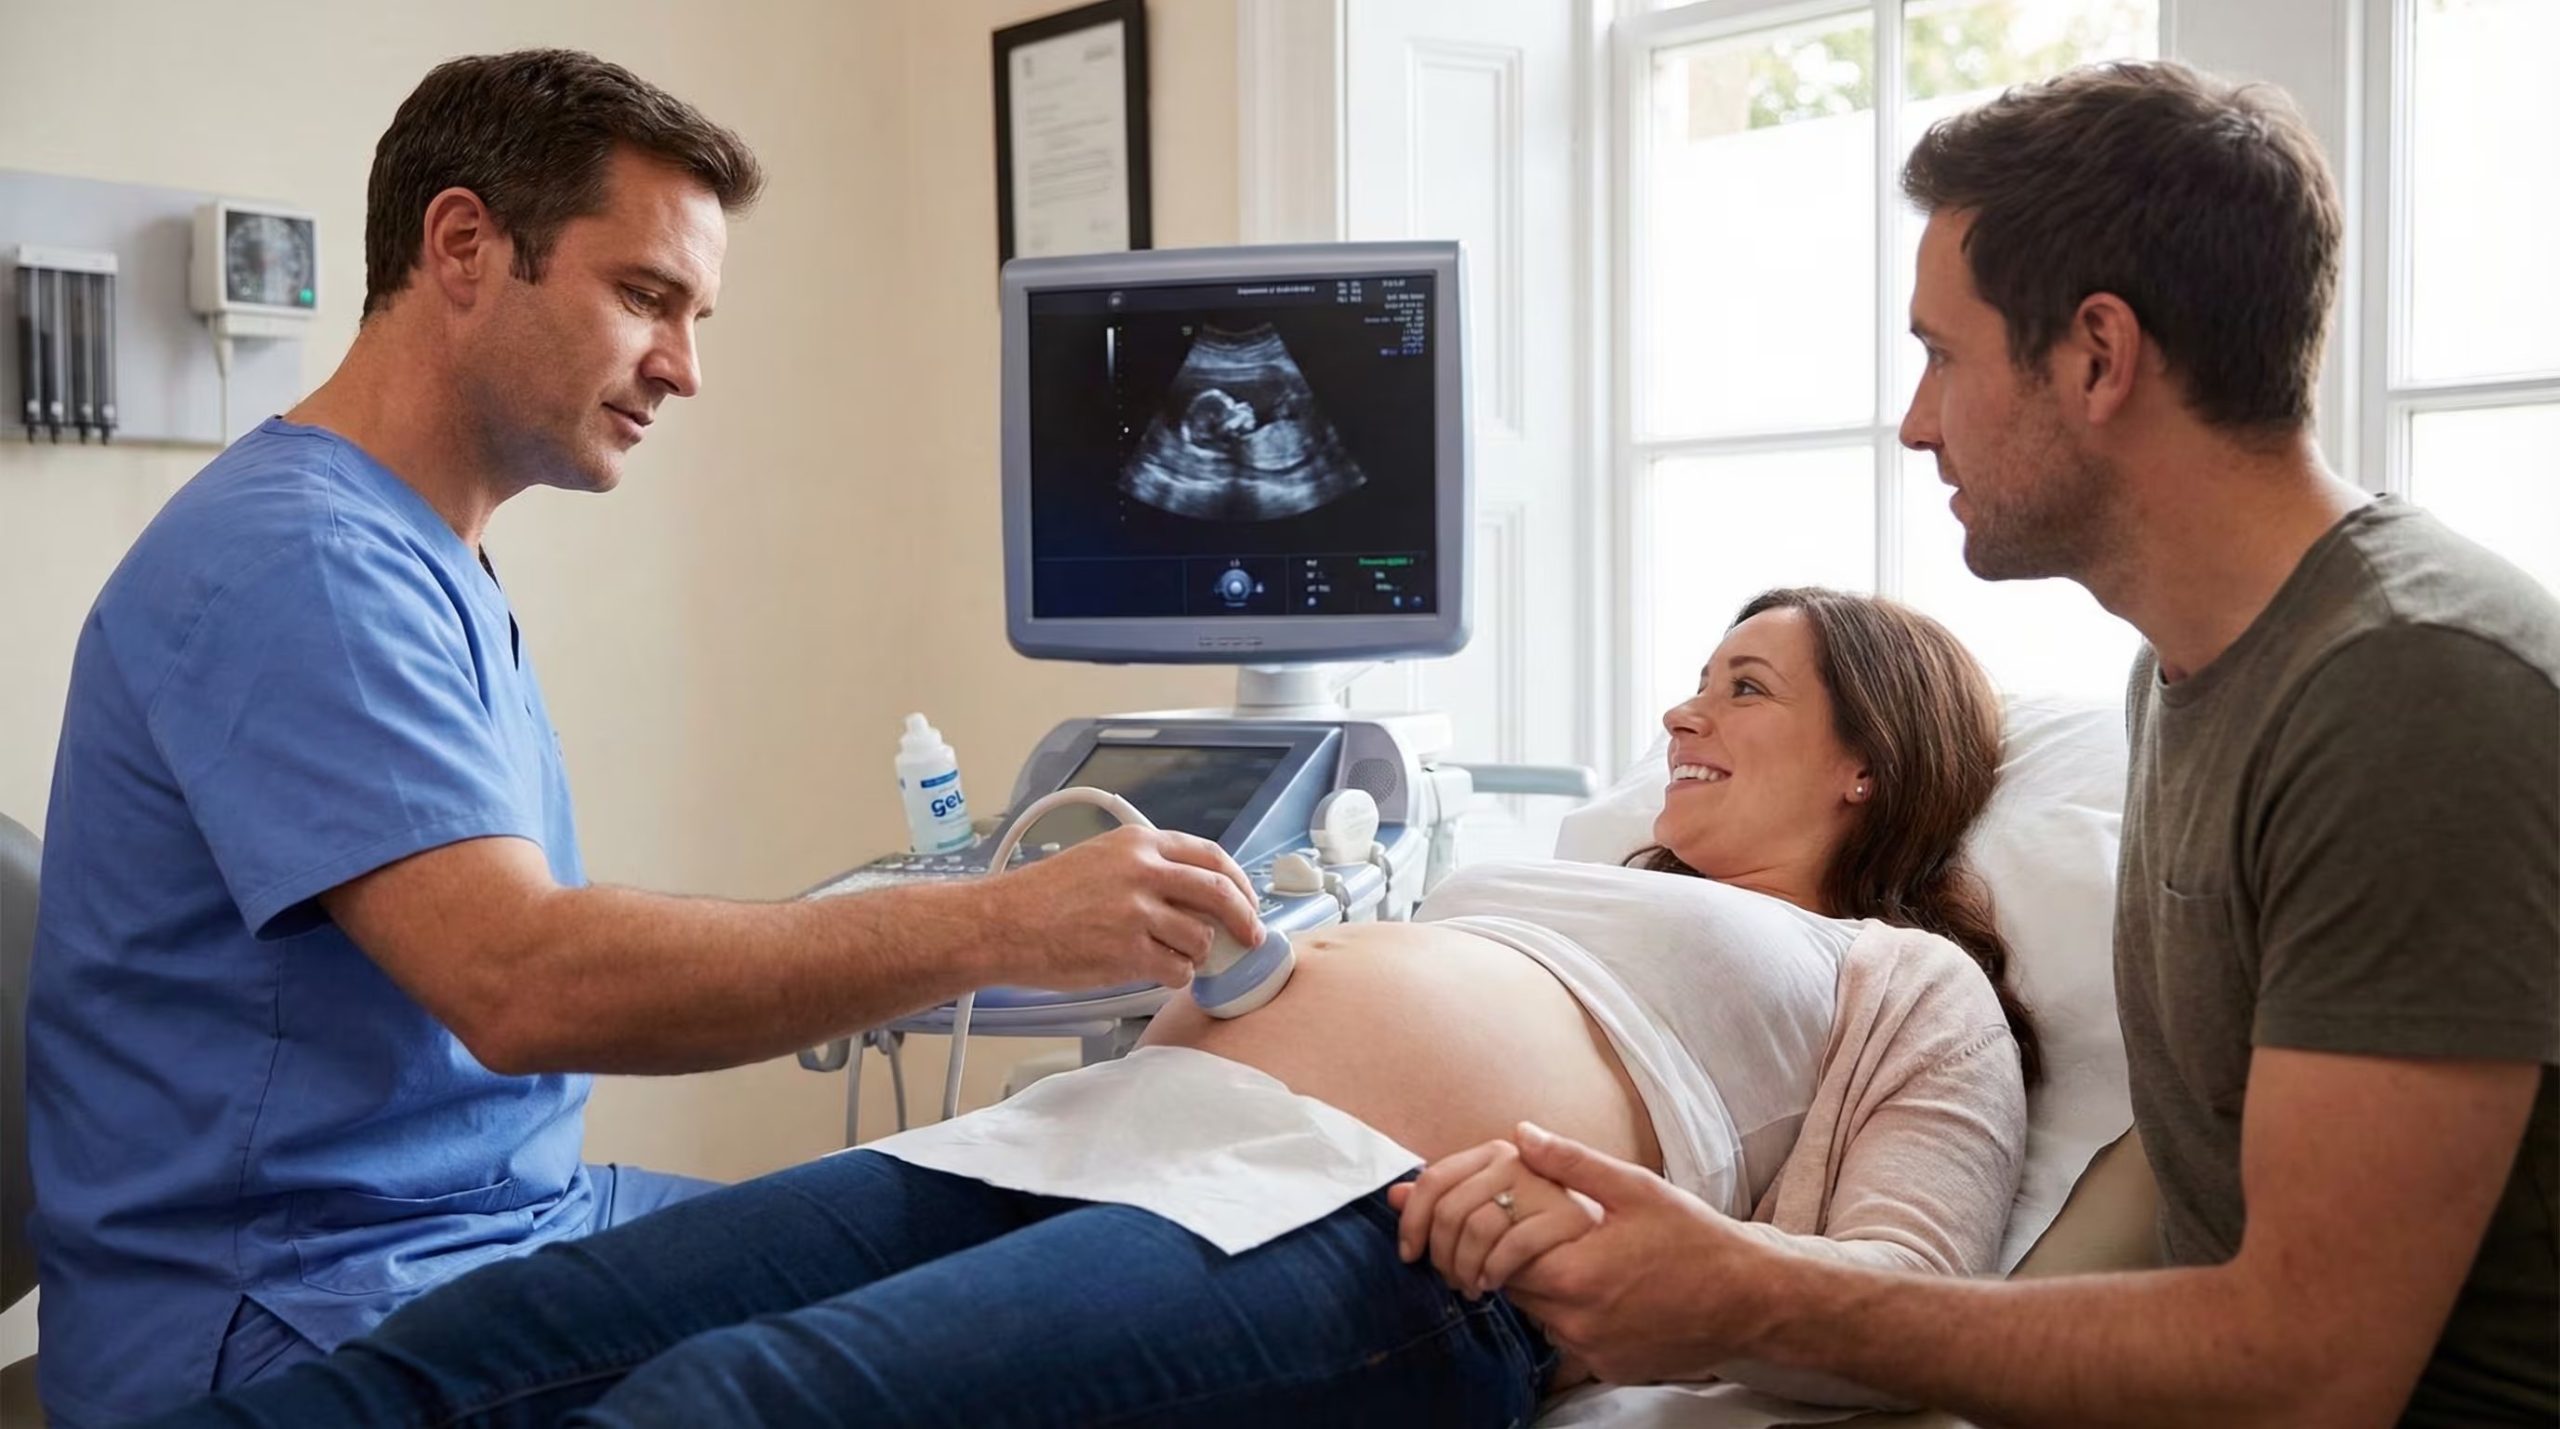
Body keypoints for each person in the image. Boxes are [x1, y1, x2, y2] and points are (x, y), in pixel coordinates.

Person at [26, 50, 1263, 1425]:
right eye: (645, 297)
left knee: (1024, 1218)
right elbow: (525, 981)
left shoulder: (409, 549)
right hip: (306, 1313)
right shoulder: (300, 562)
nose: (683, 367)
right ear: (463, 247)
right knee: (1037, 1329)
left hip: (501, 1221)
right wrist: (1002, 924)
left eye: (696, 313)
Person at [151, 587, 2036, 1427]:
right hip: (1074, 1146)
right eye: (1695, 682)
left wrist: (1633, 1259)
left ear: (1874, 763)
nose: (1684, 717)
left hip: (1365, 1229)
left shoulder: (1902, 978)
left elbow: (1910, 1320)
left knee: (718, 1403)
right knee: (476, 1353)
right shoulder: (1559, 873)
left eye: (1747, 687)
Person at [1407, 60, 2559, 1428]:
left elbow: (2312, 1367)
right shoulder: (2187, 677)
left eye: (1942, 355)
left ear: (2096, 355)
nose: (1914, 419)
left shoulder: (2408, 690)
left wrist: (1754, 1291)